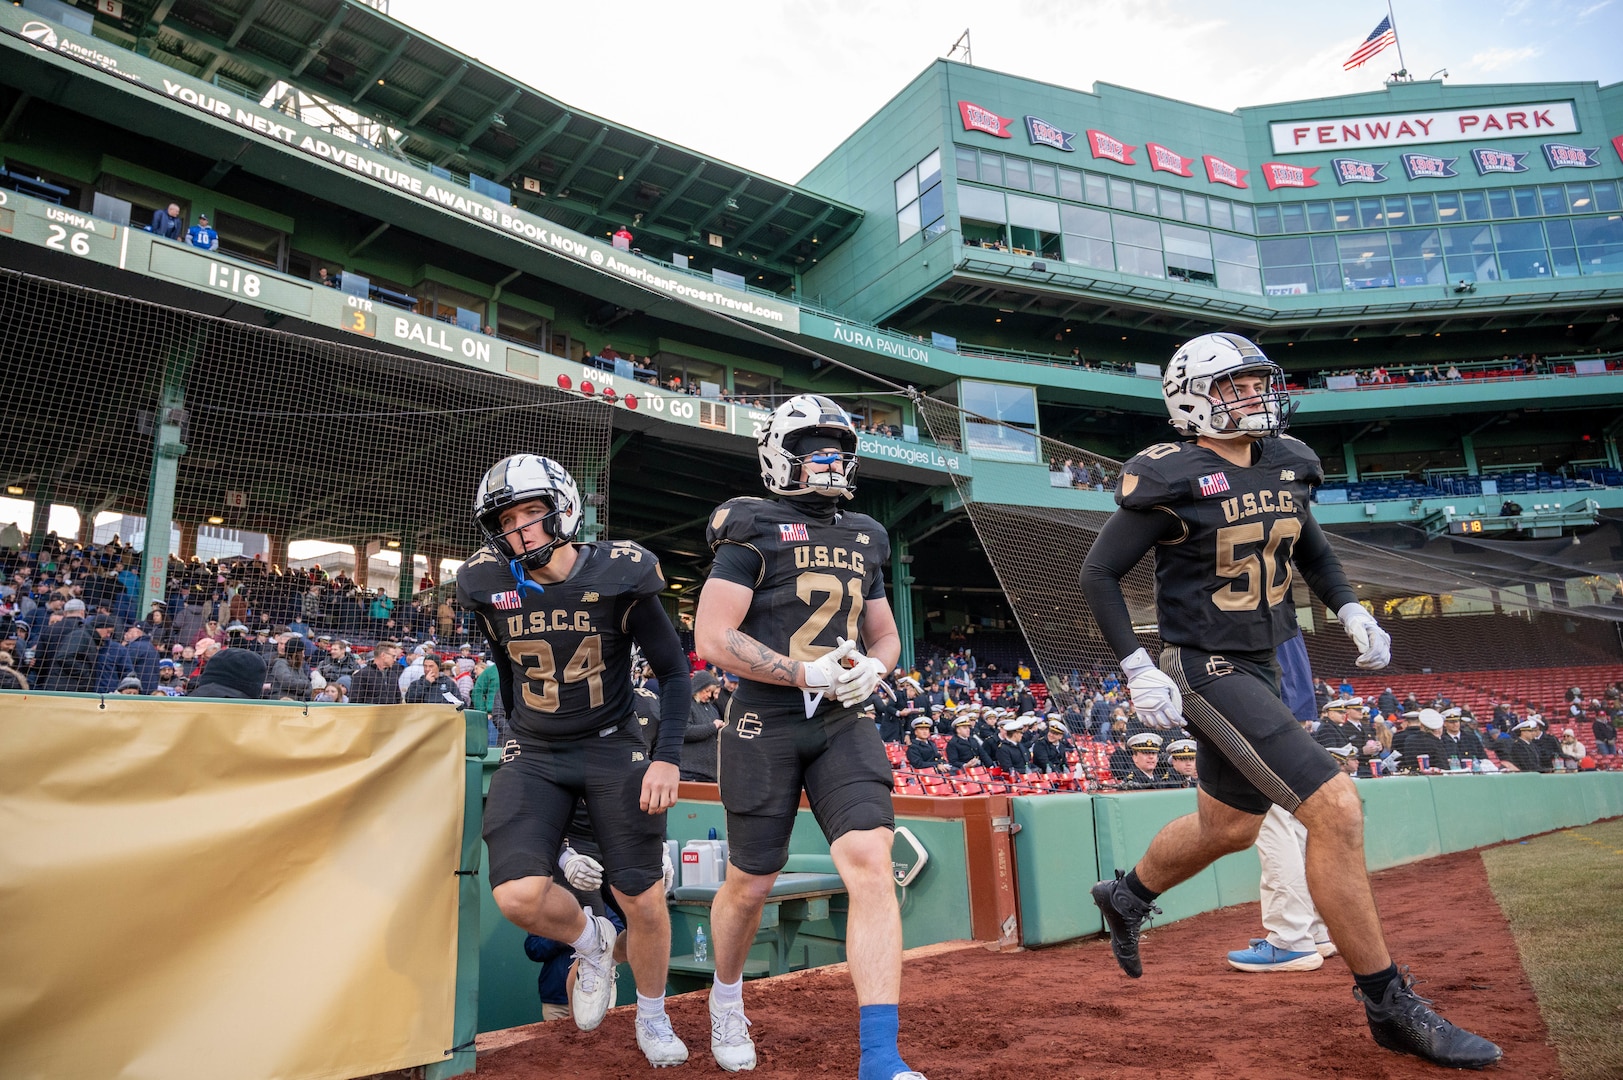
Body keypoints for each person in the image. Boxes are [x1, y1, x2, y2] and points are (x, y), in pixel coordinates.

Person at [1079, 332, 1499, 1068]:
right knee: (1334, 807)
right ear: (1191, 399)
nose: (1252, 397)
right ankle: (1386, 1002)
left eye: (1254, 383)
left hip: (1262, 661)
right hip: (1200, 662)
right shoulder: (1168, 476)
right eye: (1233, 387)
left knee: (1229, 828)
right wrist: (1136, 665)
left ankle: (1126, 895)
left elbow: (1310, 546)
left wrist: (1348, 607)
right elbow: (1097, 573)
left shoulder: (1286, 461)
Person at [693, 394, 921, 1080]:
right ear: (778, 454)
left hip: (841, 718)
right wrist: (800, 671)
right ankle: (726, 996)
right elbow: (711, 637)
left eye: (837, 447)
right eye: (814, 447)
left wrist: (870, 671)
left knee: (870, 864)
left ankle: (879, 1056)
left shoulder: (865, 534)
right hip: (765, 717)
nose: (830, 460)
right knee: (750, 880)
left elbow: (885, 634)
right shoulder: (751, 525)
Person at [459, 453, 692, 1067]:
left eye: (533, 513)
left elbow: (673, 672)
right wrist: (513, 737)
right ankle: (591, 942)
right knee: (516, 894)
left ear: (564, 509)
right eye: (507, 519)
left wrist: (667, 759)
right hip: (536, 751)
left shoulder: (621, 572)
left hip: (612, 743)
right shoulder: (486, 582)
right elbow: (508, 672)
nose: (521, 529)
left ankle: (652, 1015)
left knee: (643, 897)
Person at [682, 669, 724, 783]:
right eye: (706, 691)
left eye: (711, 692)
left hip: (710, 774)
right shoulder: (686, 705)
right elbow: (686, 732)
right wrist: (713, 727)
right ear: (698, 687)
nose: (709, 695)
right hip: (689, 772)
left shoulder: (712, 709)